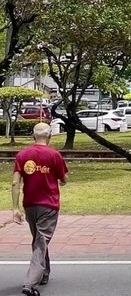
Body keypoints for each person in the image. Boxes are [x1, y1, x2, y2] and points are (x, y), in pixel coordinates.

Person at [12, 122, 68, 296]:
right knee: (41, 242)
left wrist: (15, 208)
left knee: (39, 240)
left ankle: (44, 273)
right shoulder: (54, 155)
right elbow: (64, 178)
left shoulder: (22, 155)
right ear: (49, 136)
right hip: (49, 205)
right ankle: (30, 283)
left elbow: (15, 182)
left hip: (29, 205)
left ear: (33, 136)